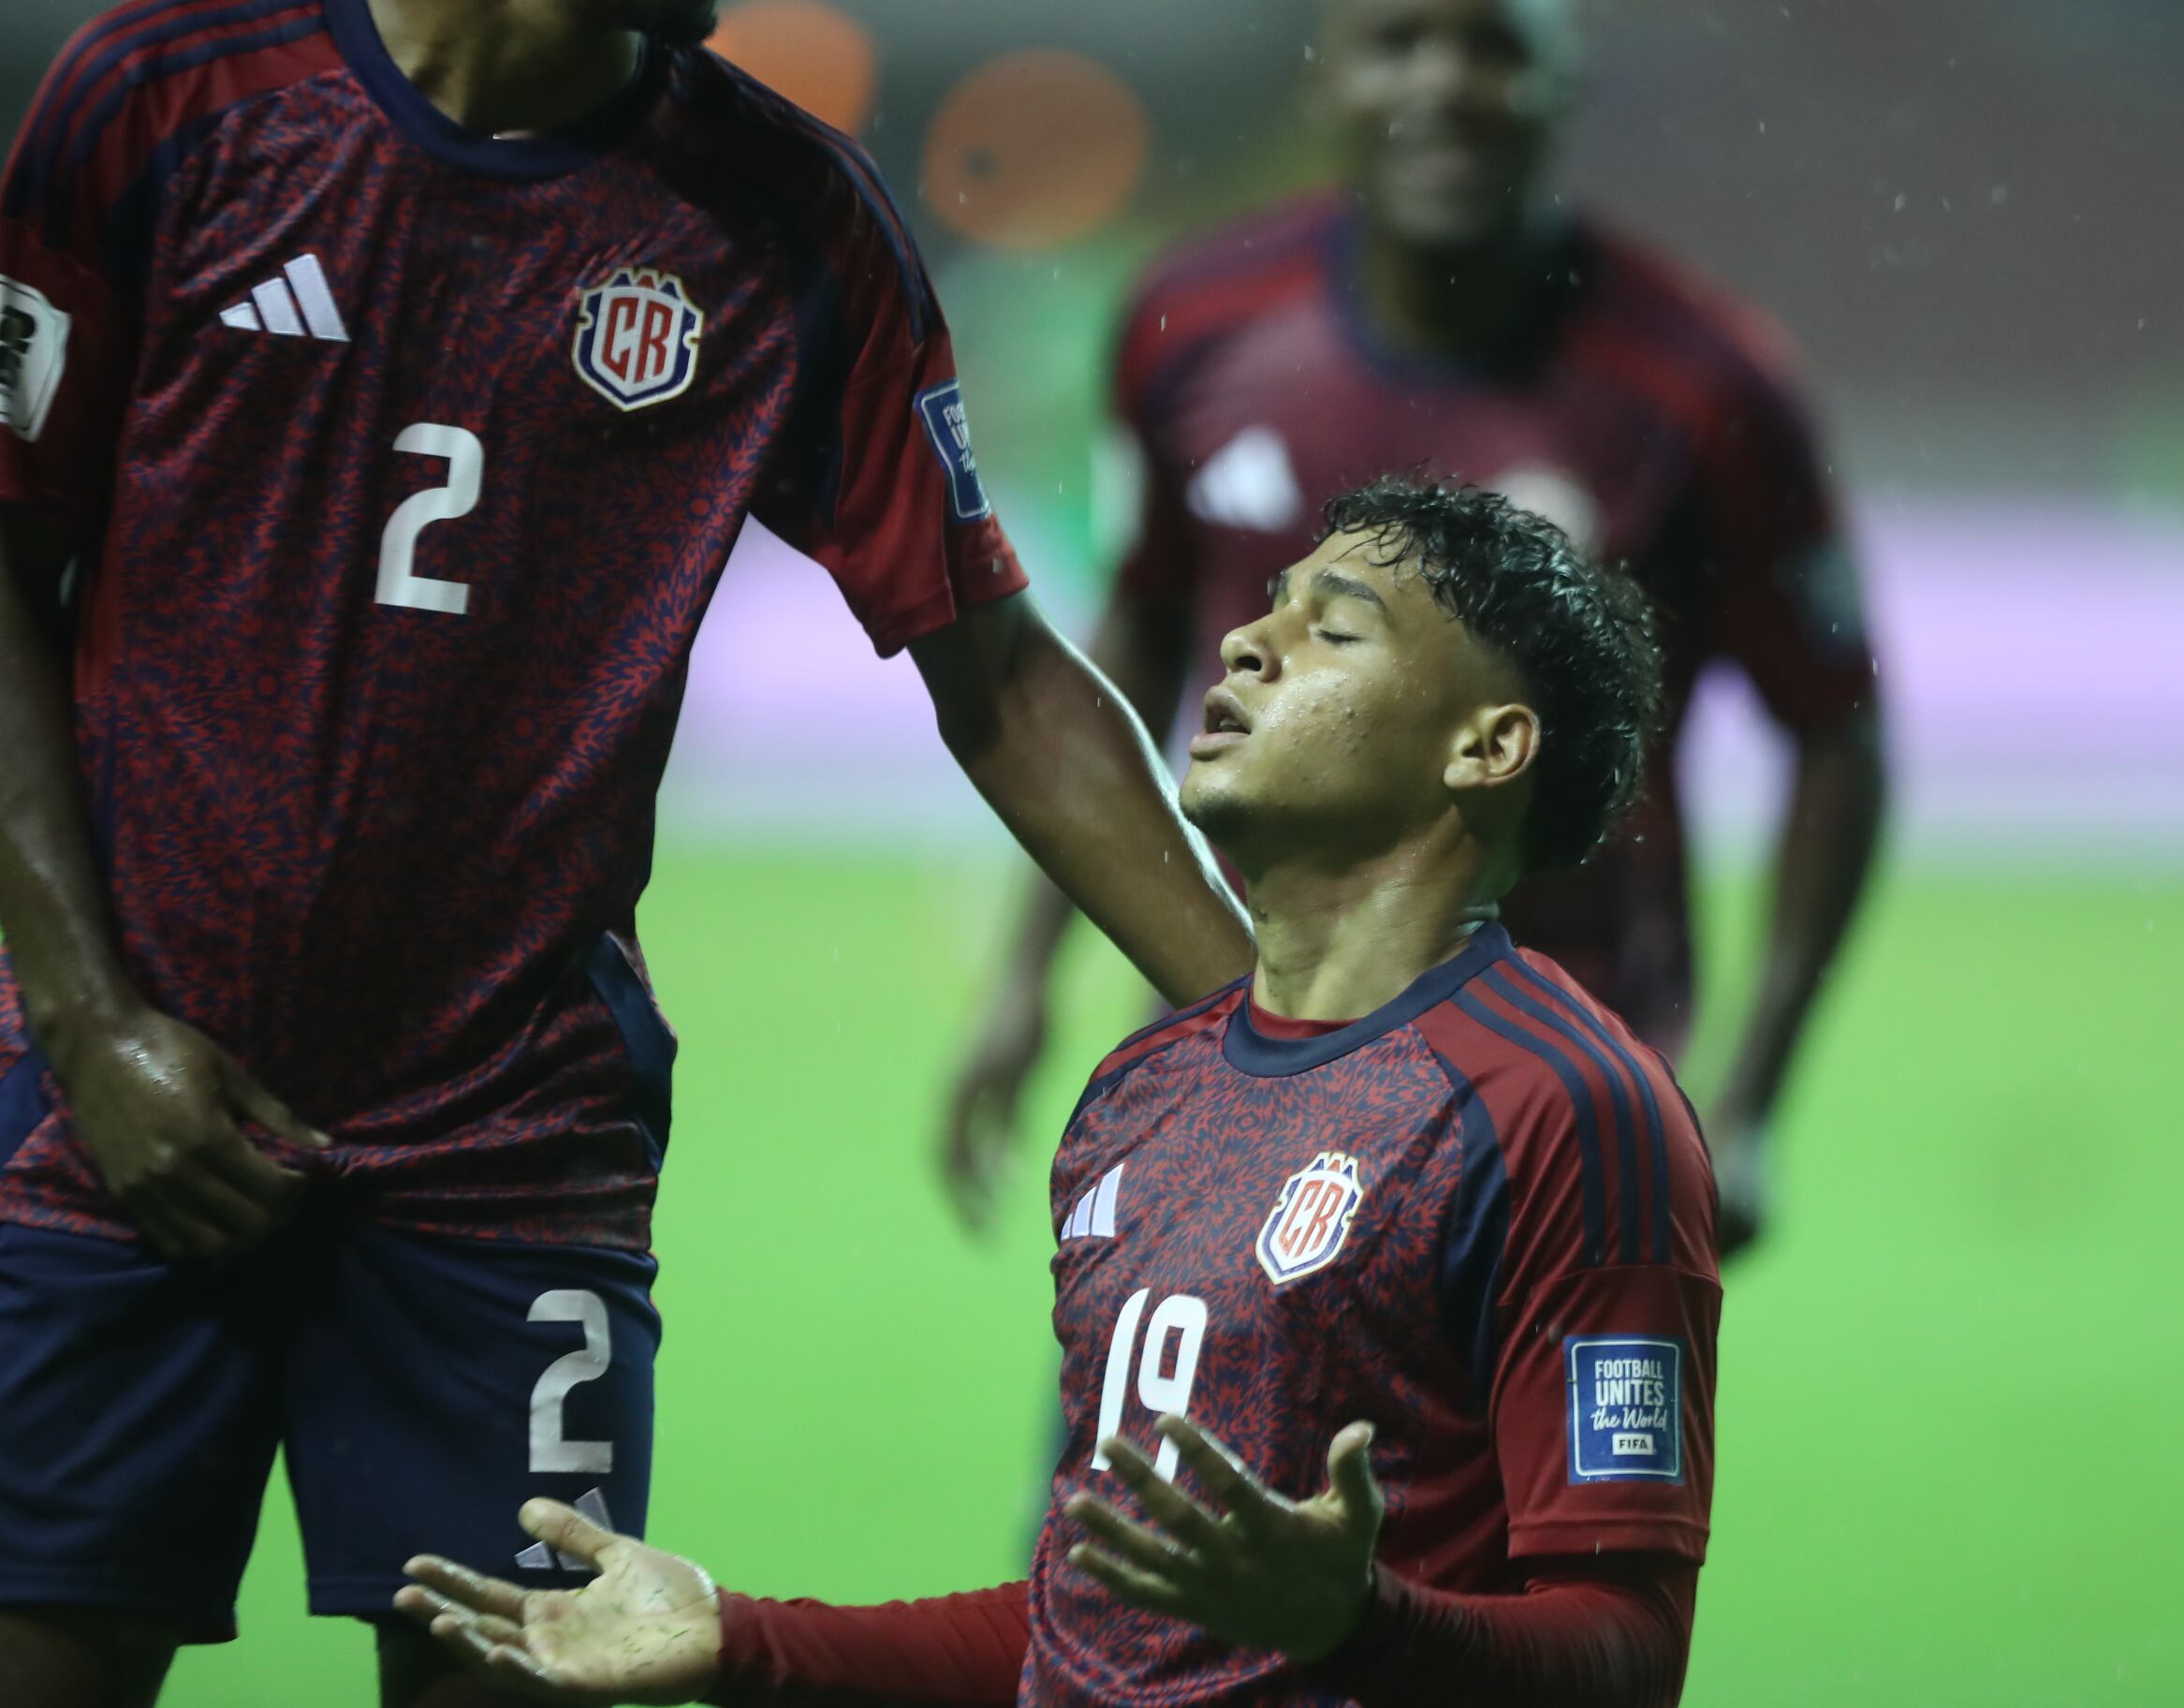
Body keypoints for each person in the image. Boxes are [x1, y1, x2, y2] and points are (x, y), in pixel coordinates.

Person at [0, 0, 1252, 1701]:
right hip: (110, 1111)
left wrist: (1309, 1054)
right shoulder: (169, 95)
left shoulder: (784, 216)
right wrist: (87, 1024)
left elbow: (1007, 678)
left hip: (510, 1144)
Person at [394, 478, 1716, 1708]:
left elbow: (1629, 1647)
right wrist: (740, 1639)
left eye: (1336, 629)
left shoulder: (1565, 1109)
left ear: (1487, 747)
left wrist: (1359, 1621)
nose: (1250, 646)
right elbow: (1090, 1628)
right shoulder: (1145, 1095)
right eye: (1263, 609)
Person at [939, 0, 1885, 1258]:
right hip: (1235, 1061)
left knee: (1541, 1466)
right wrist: (1025, 976)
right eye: (1399, 41)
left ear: (1563, 85)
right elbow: (1138, 629)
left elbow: (1836, 733)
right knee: (1136, 1455)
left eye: (1495, 46)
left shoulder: (1706, 385)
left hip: (1553, 1114)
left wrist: (1750, 1092)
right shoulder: (1191, 325)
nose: (1446, 84)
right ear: (1326, 85)